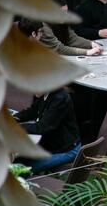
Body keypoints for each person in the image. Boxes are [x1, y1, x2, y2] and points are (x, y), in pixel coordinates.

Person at [14, 18, 81, 174]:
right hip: (50, 143)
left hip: (66, 149)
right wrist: (15, 118)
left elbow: (42, 127)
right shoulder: (44, 93)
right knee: (16, 162)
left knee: (23, 170)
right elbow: (33, 110)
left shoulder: (60, 99)